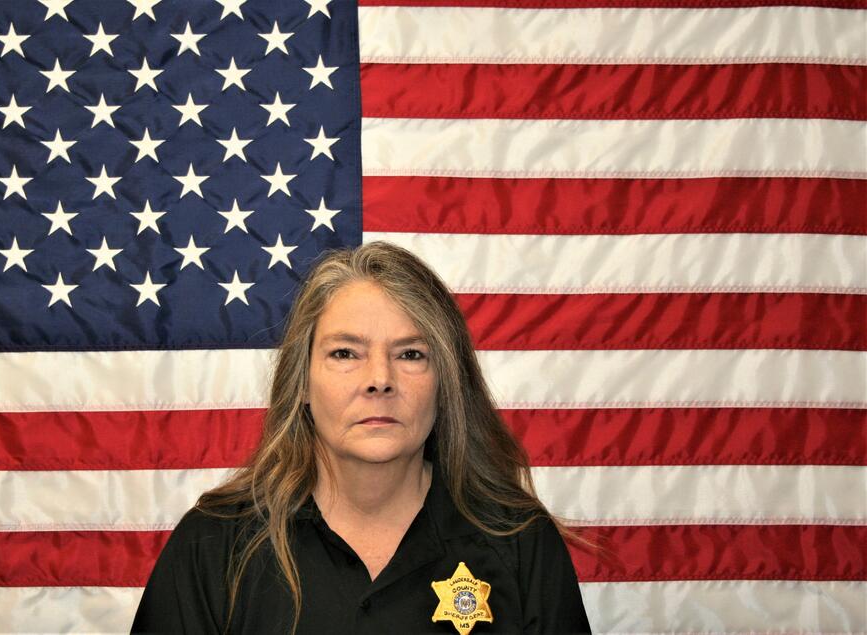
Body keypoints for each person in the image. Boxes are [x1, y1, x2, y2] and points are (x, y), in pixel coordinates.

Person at [131, 242, 591, 634]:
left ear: (445, 383)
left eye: (411, 354)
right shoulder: (216, 543)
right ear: (303, 383)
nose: (379, 379)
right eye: (345, 353)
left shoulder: (517, 540)